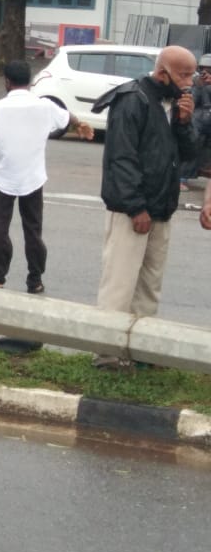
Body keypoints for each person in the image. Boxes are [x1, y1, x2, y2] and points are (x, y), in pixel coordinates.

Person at [91, 45, 198, 369]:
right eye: (184, 74)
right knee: (120, 282)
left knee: (150, 285)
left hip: (162, 209)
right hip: (132, 211)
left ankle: (141, 349)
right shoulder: (132, 99)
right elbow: (122, 159)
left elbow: (191, 156)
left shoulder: (173, 103)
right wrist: (136, 208)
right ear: (162, 72)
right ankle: (107, 352)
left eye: (192, 74)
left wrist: (184, 122)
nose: (190, 82)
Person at [0, 61, 93, 348]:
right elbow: (69, 117)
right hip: (33, 180)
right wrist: (82, 125)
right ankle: (35, 280)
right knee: (33, 231)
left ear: (6, 81)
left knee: (0, 229)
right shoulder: (44, 106)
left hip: (4, 179)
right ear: (29, 81)